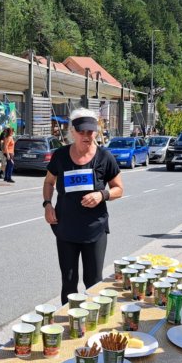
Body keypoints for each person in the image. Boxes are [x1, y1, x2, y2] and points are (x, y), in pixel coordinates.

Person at [43, 108, 124, 305]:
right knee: (69, 282)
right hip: (66, 229)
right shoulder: (60, 156)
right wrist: (47, 204)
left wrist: (102, 194)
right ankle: (69, 319)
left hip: (94, 230)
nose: (86, 136)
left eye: (90, 131)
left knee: (93, 281)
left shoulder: (104, 157)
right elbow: (49, 182)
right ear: (72, 132)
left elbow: (119, 189)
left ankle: (92, 320)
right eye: (81, 131)